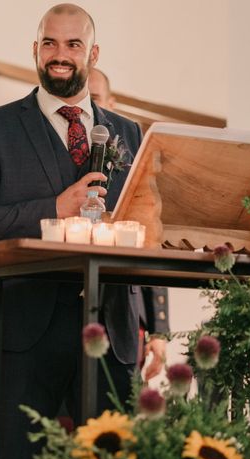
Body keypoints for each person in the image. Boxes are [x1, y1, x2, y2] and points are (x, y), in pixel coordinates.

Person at [0, 5, 164, 459]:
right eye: (50, 43)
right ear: (35, 50)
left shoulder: (128, 132)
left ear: (92, 52)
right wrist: (53, 208)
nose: (60, 55)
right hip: (26, 327)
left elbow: (144, 223)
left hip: (113, 327)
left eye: (73, 44)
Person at [87, 67, 169, 370]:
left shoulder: (132, 145)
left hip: (125, 309)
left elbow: (149, 230)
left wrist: (159, 330)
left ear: (111, 102)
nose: (90, 106)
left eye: (95, 98)